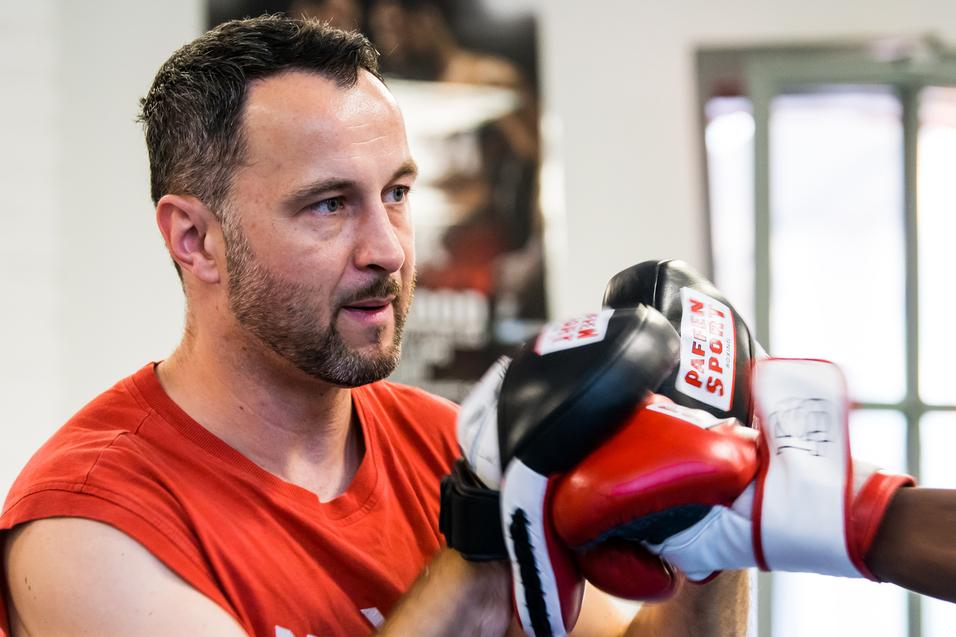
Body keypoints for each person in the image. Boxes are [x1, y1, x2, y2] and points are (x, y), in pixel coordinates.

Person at [0, 16, 748, 637]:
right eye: (328, 203)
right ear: (195, 240)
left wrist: (715, 534)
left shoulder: (444, 444)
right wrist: (481, 537)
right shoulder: (88, 526)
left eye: (395, 192)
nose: (388, 248)